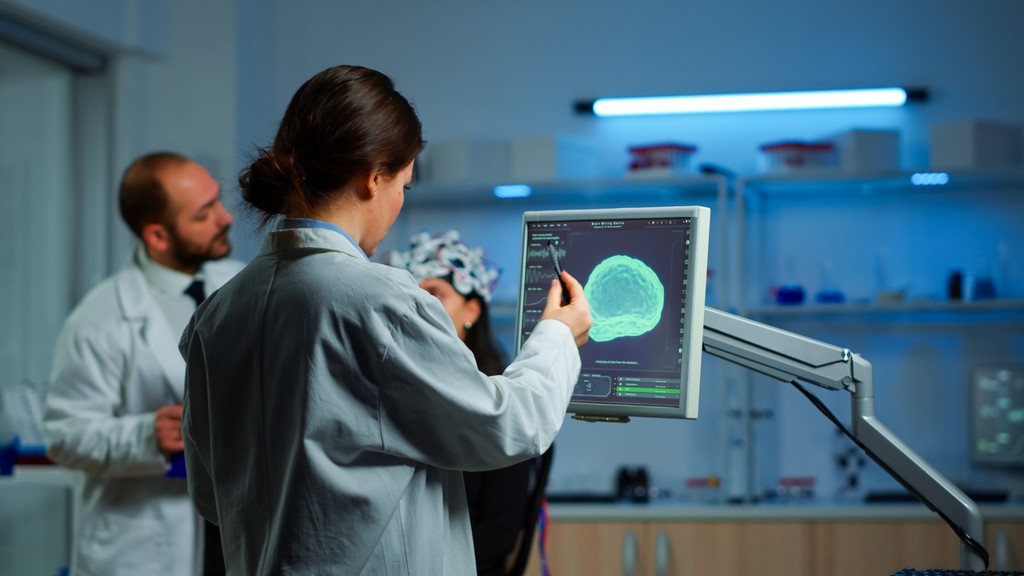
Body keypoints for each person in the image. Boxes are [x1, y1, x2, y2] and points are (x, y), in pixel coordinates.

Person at [178, 64, 592, 575]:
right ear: (374, 178)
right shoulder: (379, 298)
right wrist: (558, 334)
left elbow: (211, 495)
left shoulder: (216, 314)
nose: (399, 202)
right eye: (404, 186)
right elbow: (508, 426)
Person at [43, 152, 244, 576]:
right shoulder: (98, 318)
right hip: (148, 545)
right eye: (204, 213)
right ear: (158, 235)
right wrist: (144, 435)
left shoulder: (238, 284)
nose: (225, 218)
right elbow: (65, 435)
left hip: (235, 529)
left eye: (217, 201)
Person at [388, 229, 544, 576]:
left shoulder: (500, 401)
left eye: (434, 294)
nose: (420, 306)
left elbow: (500, 533)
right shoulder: (395, 390)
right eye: (411, 295)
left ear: (471, 309)